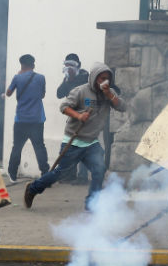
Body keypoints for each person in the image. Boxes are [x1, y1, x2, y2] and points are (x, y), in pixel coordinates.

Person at [24, 62, 126, 211]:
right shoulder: (80, 91)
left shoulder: (108, 94)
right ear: (94, 78)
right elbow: (64, 107)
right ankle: (33, 188)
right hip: (74, 141)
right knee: (60, 173)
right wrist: (78, 116)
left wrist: (110, 94)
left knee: (99, 170)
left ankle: (92, 203)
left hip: (91, 143)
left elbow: (122, 106)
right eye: (101, 78)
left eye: (107, 79)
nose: (104, 81)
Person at [6, 54, 49, 182]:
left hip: (21, 120)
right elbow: (42, 95)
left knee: (17, 146)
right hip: (37, 120)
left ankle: (12, 173)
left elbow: (8, 93)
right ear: (33, 64)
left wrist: (18, 76)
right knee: (39, 146)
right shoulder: (41, 78)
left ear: (22, 65)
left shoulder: (17, 78)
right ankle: (45, 172)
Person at [56, 53, 90, 184]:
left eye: (71, 66)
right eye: (66, 66)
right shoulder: (68, 78)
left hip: (85, 117)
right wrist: (67, 80)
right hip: (73, 117)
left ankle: (83, 177)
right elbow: (59, 94)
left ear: (77, 66)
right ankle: (70, 174)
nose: (68, 69)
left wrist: (88, 114)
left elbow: (89, 96)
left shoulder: (85, 77)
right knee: (70, 147)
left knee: (83, 147)